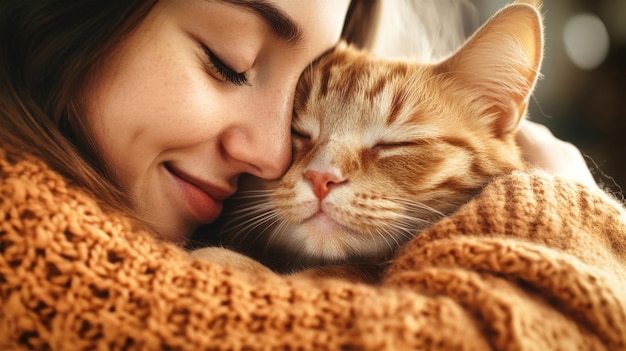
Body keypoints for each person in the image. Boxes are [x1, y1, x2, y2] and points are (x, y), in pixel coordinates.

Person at [0, 0, 624, 350]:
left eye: (292, 111)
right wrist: (560, 207)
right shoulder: (24, 238)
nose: (281, 160)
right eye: (228, 63)